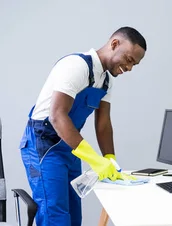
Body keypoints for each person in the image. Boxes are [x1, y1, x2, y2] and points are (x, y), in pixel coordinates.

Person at [19, 26, 147, 226]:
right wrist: (94, 160)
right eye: (129, 60)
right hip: (43, 145)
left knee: (74, 217)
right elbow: (57, 116)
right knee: (56, 218)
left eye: (134, 65)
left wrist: (109, 159)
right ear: (114, 44)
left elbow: (103, 124)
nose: (129, 68)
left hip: (70, 147)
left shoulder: (106, 81)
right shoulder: (76, 66)